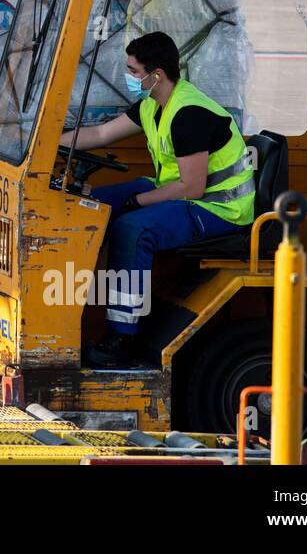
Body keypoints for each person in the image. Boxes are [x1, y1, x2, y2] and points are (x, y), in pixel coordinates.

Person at [59, 31, 255, 367]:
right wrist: (44, 145)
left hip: (218, 208)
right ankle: (65, 311)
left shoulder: (188, 115)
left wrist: (139, 202)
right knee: (95, 205)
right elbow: (102, 133)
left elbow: (192, 188)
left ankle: (121, 338)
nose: (130, 77)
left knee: (131, 228)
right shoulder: (153, 105)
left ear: (156, 75)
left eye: (134, 71)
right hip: (182, 193)